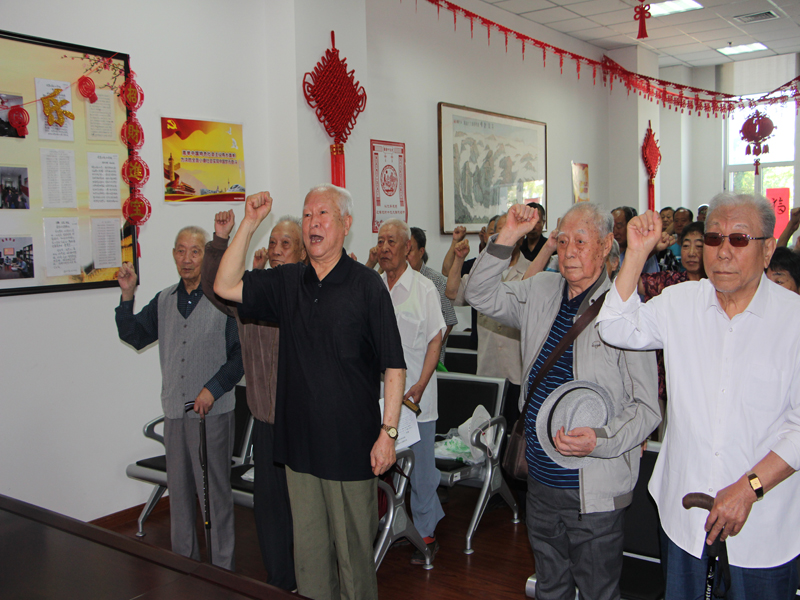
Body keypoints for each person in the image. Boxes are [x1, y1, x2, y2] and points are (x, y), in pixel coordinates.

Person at [597, 192, 800, 599]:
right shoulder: (681, 303)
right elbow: (613, 325)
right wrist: (636, 253)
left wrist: (749, 488)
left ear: (767, 251)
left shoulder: (792, 320)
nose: (723, 251)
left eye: (739, 239)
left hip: (763, 527)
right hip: (685, 519)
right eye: (713, 238)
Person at [212, 186, 406, 600]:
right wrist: (249, 222)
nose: (313, 222)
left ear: (346, 224)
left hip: (351, 448)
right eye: (307, 215)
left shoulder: (366, 286)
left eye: (323, 214)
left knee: (354, 561)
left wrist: (388, 433)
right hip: (299, 448)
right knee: (310, 560)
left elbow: (394, 364)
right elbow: (226, 285)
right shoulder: (287, 282)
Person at [465, 202, 659, 600]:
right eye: (563, 240)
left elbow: (646, 409)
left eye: (581, 242)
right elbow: (478, 293)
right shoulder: (541, 290)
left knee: (598, 591)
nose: (569, 251)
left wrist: (599, 439)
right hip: (540, 481)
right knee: (549, 587)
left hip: (595, 489)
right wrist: (508, 234)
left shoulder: (625, 312)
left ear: (605, 246)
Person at [115, 226, 244, 571]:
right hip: (174, 413)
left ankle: (222, 570)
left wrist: (212, 389)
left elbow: (239, 357)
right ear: (174, 254)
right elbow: (134, 335)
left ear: (206, 256)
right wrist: (127, 295)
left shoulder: (223, 301)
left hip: (212, 416)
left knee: (214, 495)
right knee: (180, 496)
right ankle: (185, 566)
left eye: (195, 251)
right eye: (181, 251)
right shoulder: (163, 300)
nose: (187, 259)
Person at [202, 210, 306, 590]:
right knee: (269, 510)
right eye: (273, 243)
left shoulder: (310, 295)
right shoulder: (251, 294)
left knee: (305, 511)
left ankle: (311, 580)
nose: (276, 250)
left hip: (303, 427)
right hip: (265, 423)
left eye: (285, 244)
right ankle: (280, 581)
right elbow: (214, 285)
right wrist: (220, 240)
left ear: (302, 253)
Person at [376, 219, 446, 563]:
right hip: (380, 399)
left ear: (407, 248)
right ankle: (394, 523)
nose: (385, 248)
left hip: (416, 398)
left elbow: (436, 338)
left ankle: (426, 532)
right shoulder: (373, 287)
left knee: (421, 469)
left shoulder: (424, 289)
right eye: (380, 242)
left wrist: (421, 383)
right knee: (386, 464)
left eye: (392, 242)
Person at [447, 211, 531, 427]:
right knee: (486, 437)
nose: (504, 235)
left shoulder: (531, 270)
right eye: (498, 231)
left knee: (515, 436)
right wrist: (459, 260)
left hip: (518, 373)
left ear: (521, 236)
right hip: (487, 370)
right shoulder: (480, 273)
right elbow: (452, 294)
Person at [407, 226, 457, 363]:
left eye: (409, 250)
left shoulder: (436, 281)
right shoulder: (398, 281)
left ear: (421, 252)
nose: (405, 255)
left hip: (429, 359)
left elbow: (449, 321)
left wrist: (432, 352)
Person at [613, 206, 659, 274]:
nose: (615, 232)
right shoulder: (607, 253)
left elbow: (652, 278)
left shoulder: (643, 252)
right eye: (612, 227)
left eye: (619, 227)